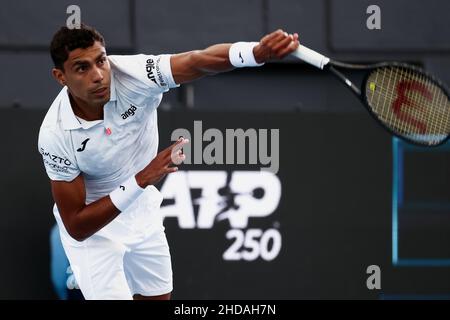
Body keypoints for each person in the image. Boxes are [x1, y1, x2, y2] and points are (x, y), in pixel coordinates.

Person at [38, 23, 299, 300]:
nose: (98, 75)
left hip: (142, 211)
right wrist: (141, 179)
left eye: (101, 60)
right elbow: (77, 226)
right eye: (82, 68)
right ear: (60, 76)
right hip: (95, 231)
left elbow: (197, 60)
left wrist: (255, 52)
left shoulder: (135, 74)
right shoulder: (55, 135)